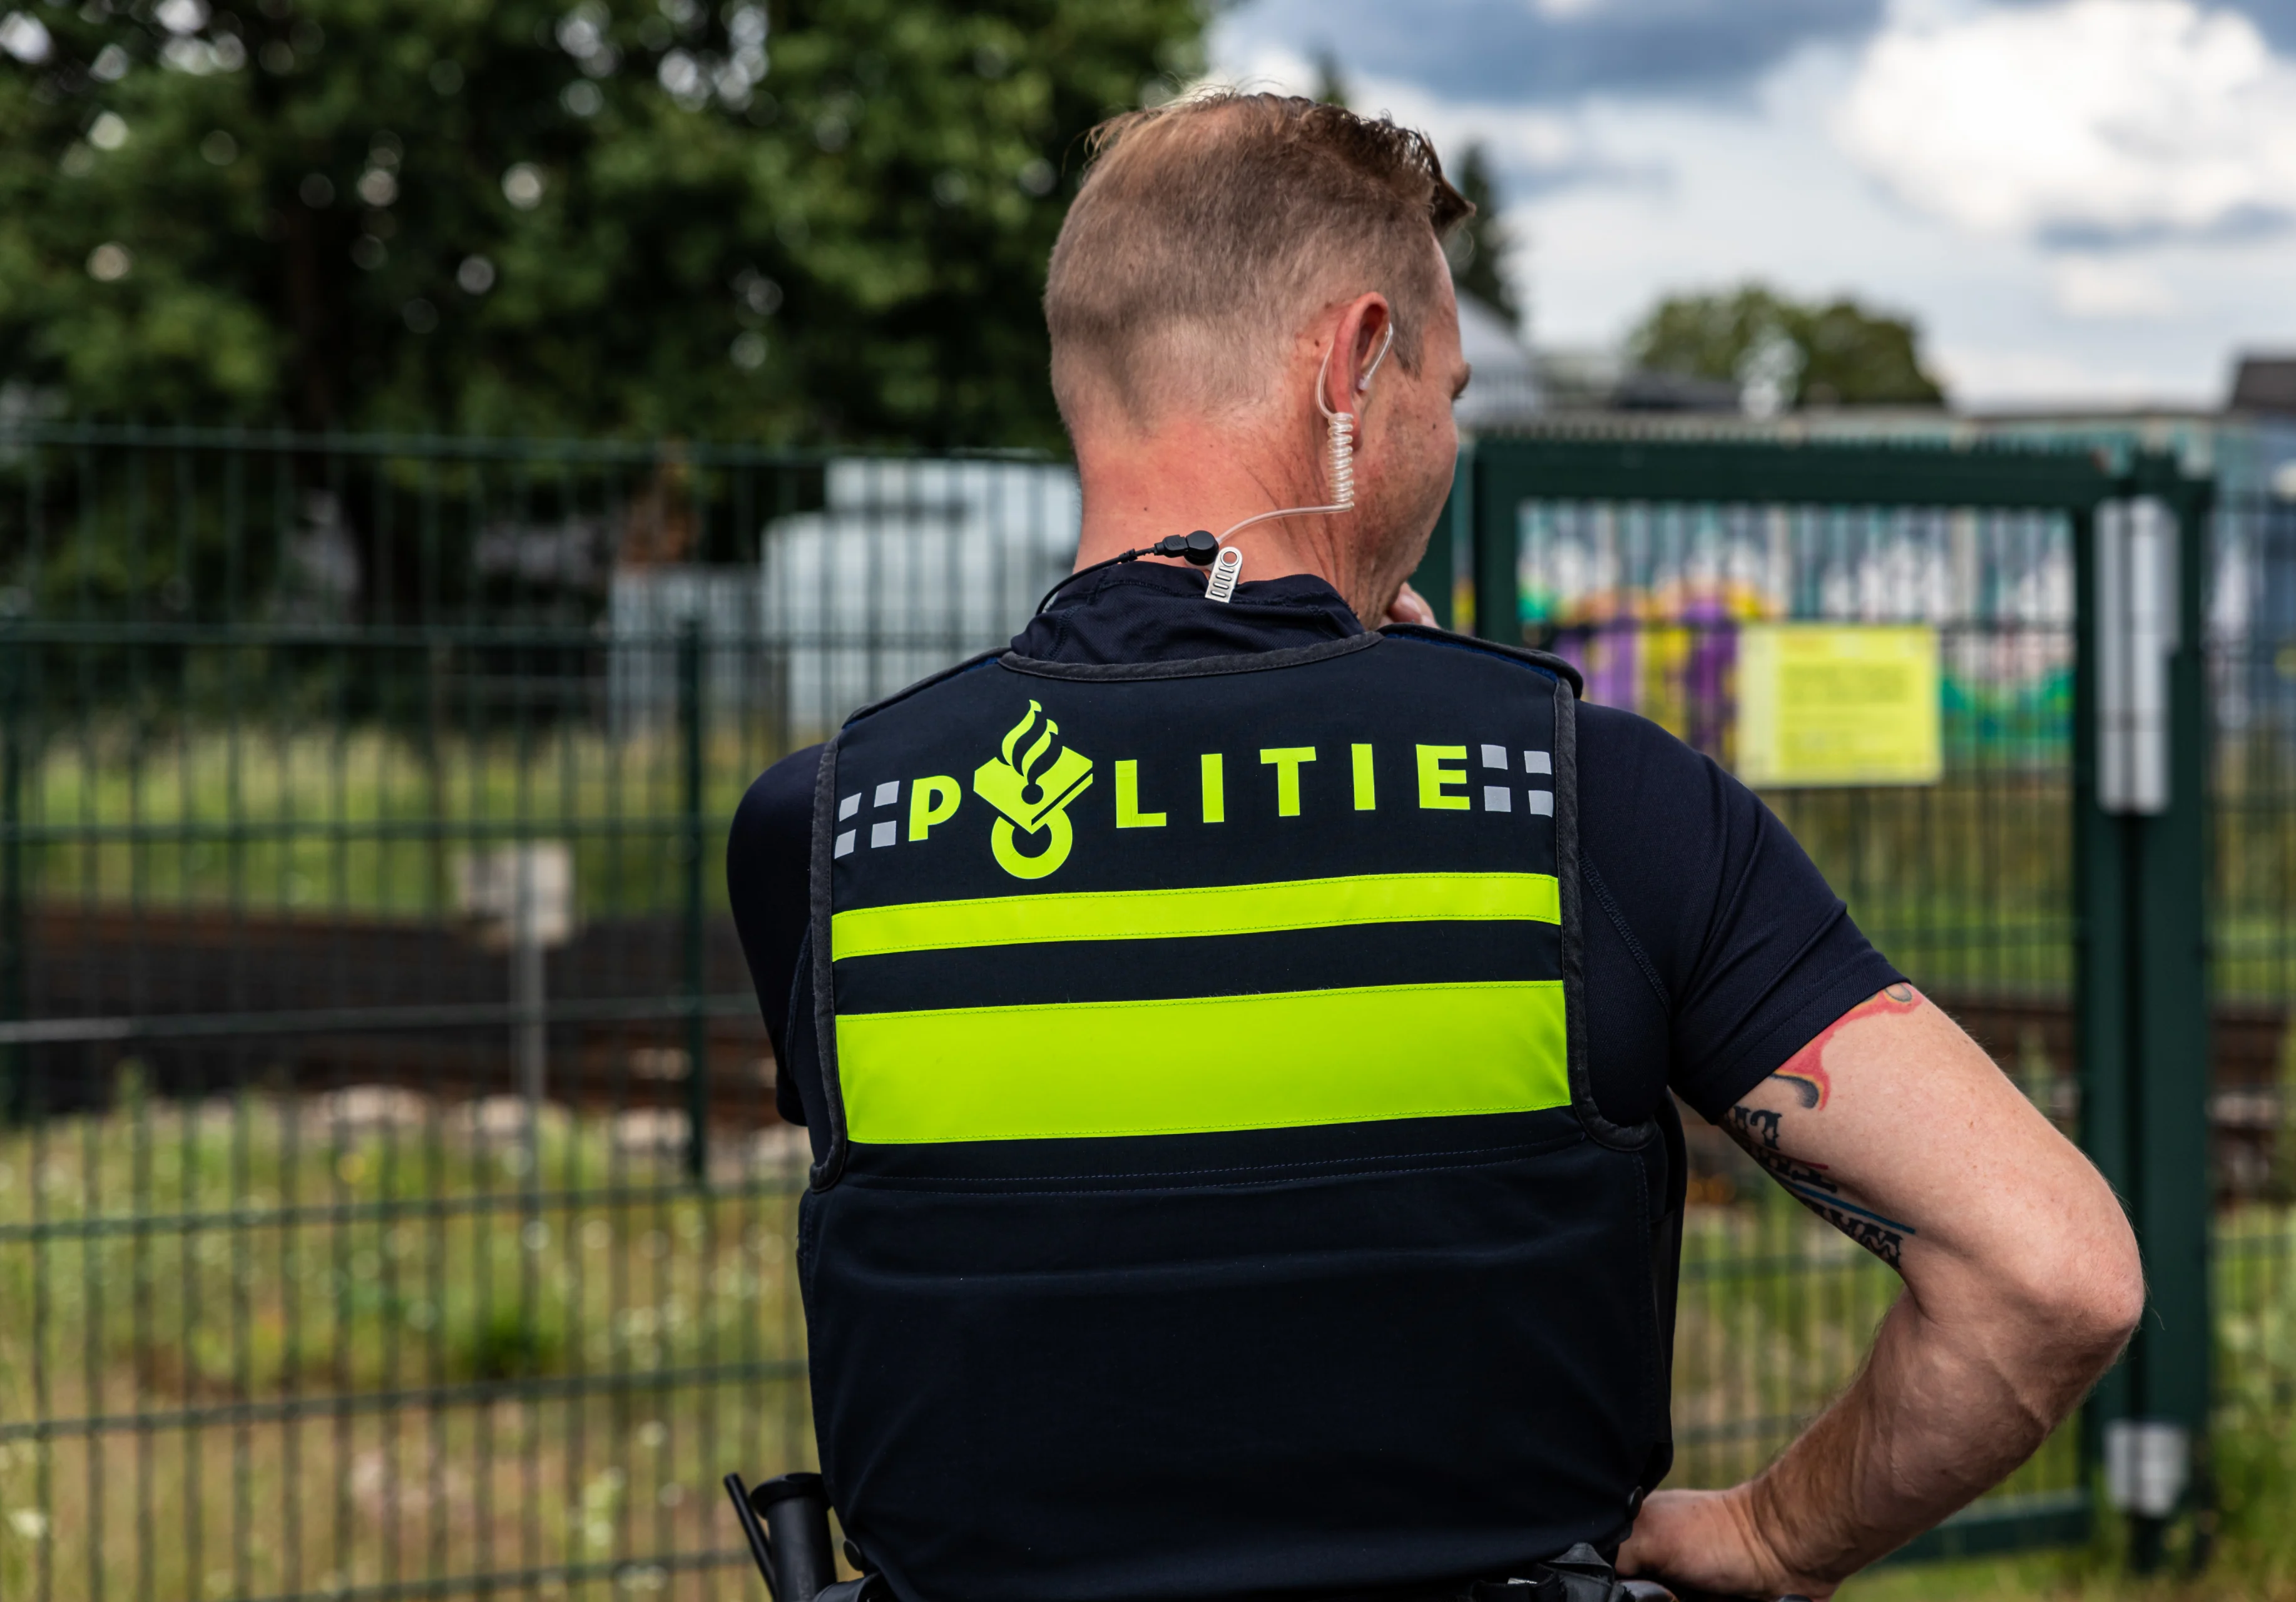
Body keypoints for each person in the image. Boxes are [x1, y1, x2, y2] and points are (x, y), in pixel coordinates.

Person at [727, 91, 2144, 1602]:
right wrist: (1770, 1537)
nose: (1445, 440)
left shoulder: (821, 832)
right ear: (1352, 367)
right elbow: (2050, 1270)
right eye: (1447, 392)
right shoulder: (1599, 805)